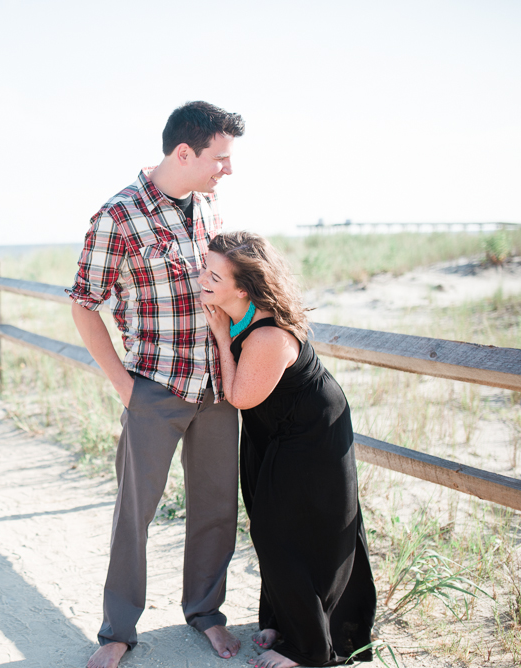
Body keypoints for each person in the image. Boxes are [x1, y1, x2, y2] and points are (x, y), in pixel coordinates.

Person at [67, 101, 246, 668]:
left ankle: (206, 614)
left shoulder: (211, 205)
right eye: (221, 158)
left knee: (215, 507)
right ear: (184, 152)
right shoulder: (117, 216)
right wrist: (124, 385)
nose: (228, 170)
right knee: (135, 512)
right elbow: (83, 305)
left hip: (217, 388)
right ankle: (118, 630)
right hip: (154, 386)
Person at [199, 231, 377, 667]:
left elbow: (239, 396)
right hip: (272, 429)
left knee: (286, 532)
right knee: (269, 524)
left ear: (242, 289)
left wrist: (222, 339)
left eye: (212, 274)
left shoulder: (267, 335)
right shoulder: (234, 309)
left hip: (311, 432)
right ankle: (284, 620)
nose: (201, 277)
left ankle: (307, 649)